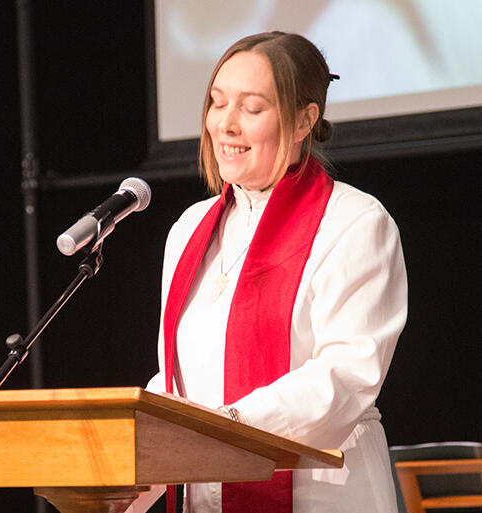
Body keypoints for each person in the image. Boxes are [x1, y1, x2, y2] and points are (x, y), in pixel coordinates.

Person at [129, 32, 407, 513]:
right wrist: (121, 480)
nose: (225, 125)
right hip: (206, 490)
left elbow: (346, 376)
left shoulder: (355, 222)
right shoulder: (190, 228)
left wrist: (225, 426)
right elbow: (178, 384)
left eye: (252, 108)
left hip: (321, 491)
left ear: (304, 120)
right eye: (217, 103)